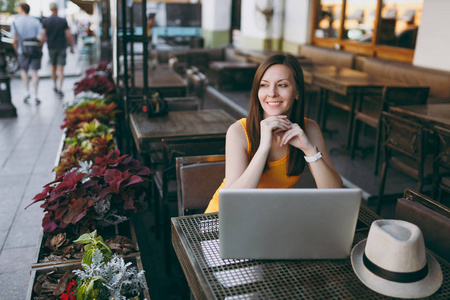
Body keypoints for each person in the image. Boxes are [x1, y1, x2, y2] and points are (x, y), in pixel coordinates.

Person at [204, 53, 343, 213]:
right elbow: (233, 202)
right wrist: (263, 147)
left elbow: (334, 193)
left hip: (270, 219)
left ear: (297, 91)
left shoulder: (309, 129)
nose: (271, 93)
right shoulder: (239, 131)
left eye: (282, 85)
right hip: (223, 219)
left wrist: (309, 150)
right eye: (264, 85)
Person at [11, 3, 43, 104]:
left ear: (21, 10)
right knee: (34, 72)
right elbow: (41, 38)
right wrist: (39, 47)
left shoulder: (16, 22)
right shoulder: (35, 21)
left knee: (24, 71)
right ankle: (36, 95)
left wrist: (17, 50)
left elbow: (14, 40)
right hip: (34, 50)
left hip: (22, 50)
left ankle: (27, 92)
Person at [41, 2, 74, 98]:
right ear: (57, 9)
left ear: (50, 9)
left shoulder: (46, 21)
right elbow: (69, 35)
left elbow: (43, 35)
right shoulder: (62, 20)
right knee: (61, 69)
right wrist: (71, 46)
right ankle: (60, 88)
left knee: (53, 67)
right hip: (62, 46)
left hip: (51, 46)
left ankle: (55, 85)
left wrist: (41, 47)